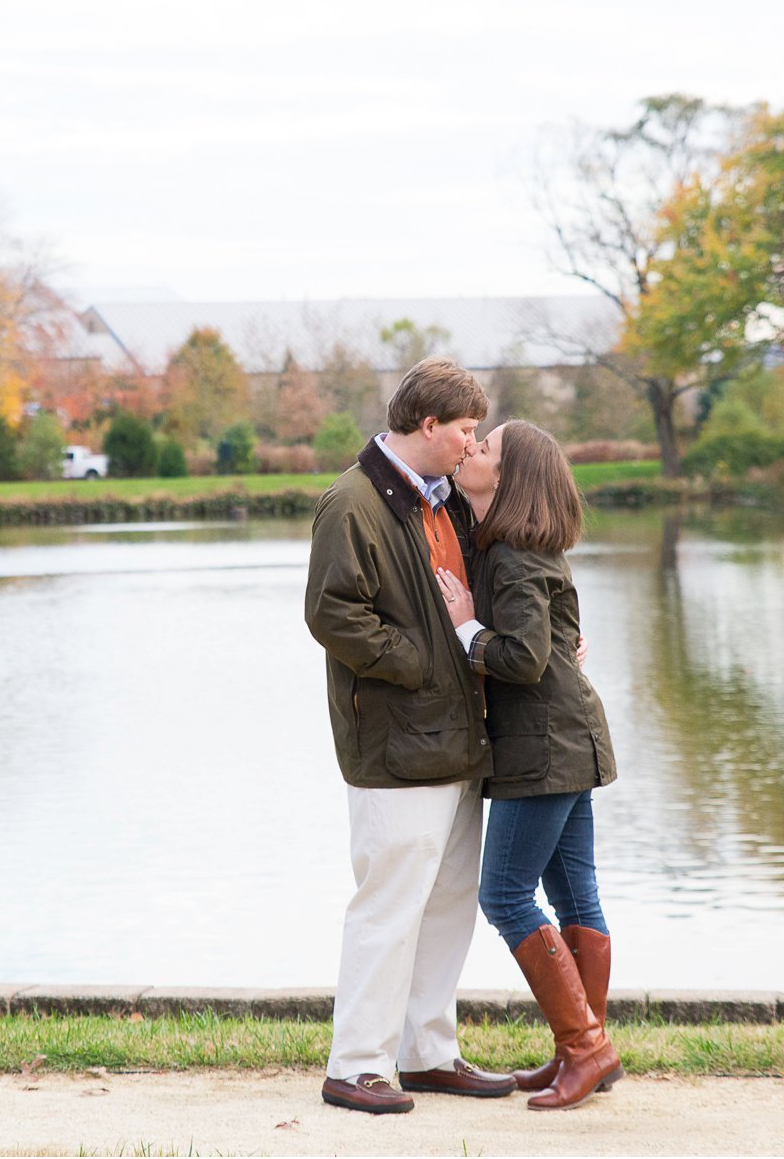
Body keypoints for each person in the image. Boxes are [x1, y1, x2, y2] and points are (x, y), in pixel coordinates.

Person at [303, 357, 516, 1115]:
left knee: (452, 898)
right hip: (395, 746)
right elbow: (333, 615)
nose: (472, 442)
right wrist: (422, 663)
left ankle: (426, 1052)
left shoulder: (445, 501)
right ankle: (356, 1063)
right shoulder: (352, 502)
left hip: (459, 739)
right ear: (428, 425)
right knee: (388, 903)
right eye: (465, 429)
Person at [435, 418, 623, 1111]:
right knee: (576, 896)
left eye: (486, 447)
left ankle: (585, 1047)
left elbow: (524, 656)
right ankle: (584, 1048)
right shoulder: (511, 544)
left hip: (543, 746)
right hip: (566, 736)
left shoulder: (512, 554)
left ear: (509, 478)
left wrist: (465, 627)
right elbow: (558, 635)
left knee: (505, 895)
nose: (471, 448)